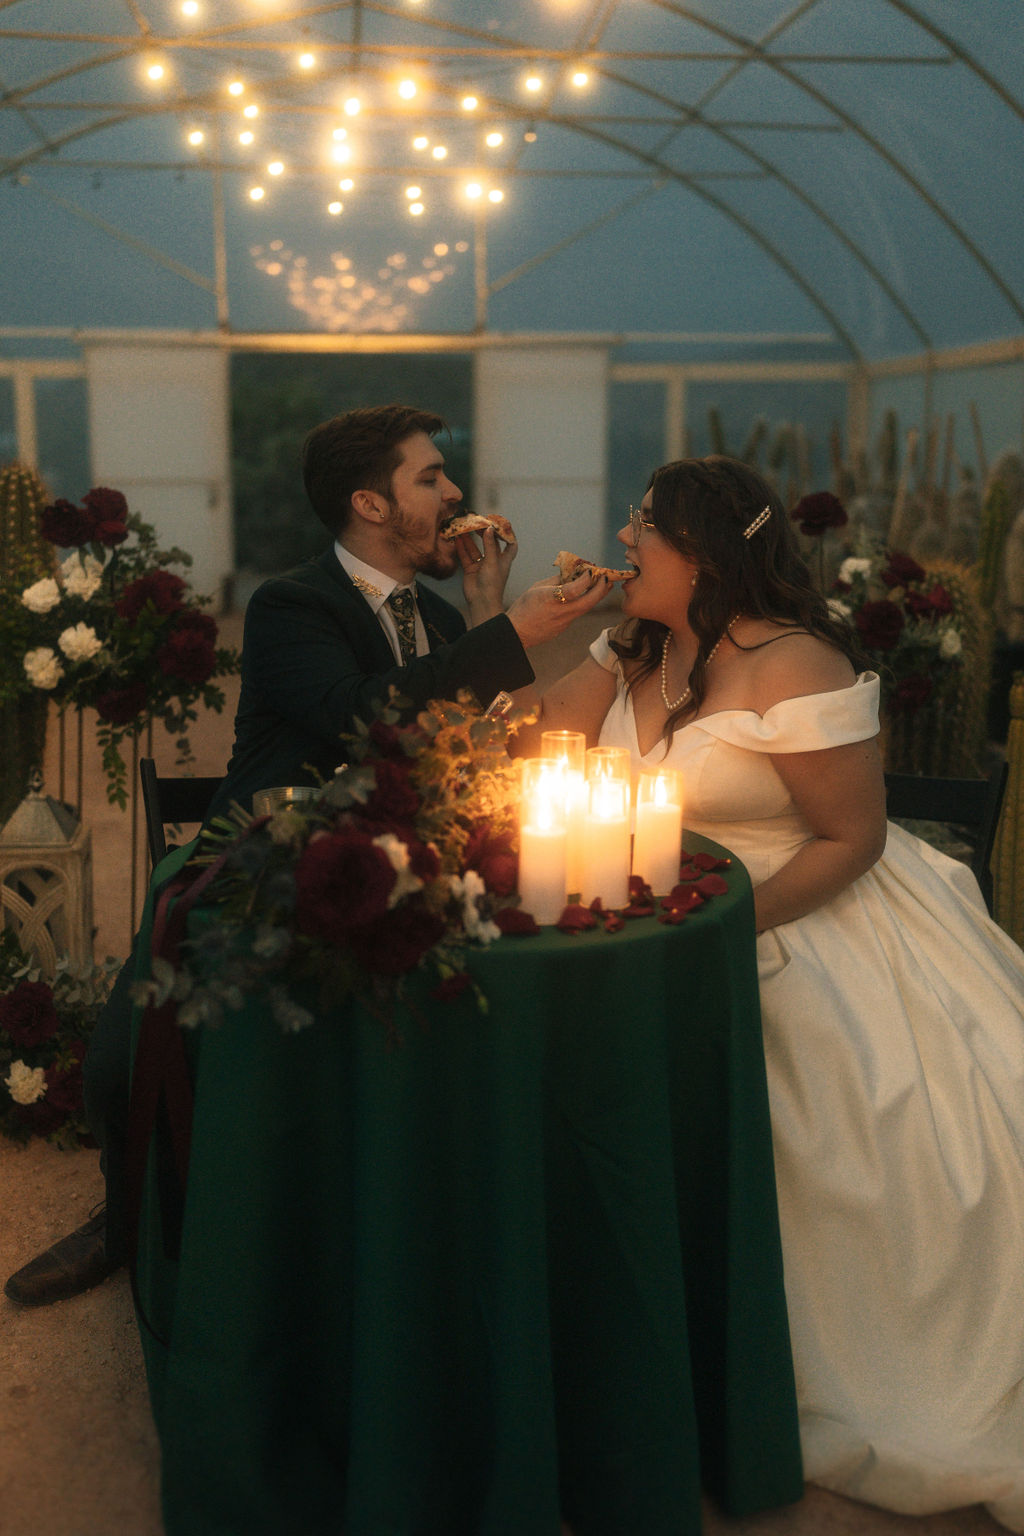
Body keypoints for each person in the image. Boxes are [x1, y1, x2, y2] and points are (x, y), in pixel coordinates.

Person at [4, 402, 608, 1308]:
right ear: (370, 503)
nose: (453, 494)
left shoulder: (443, 620)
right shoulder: (291, 604)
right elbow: (364, 712)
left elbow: (491, 742)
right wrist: (510, 633)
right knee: (149, 1015)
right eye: (430, 478)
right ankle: (125, 1215)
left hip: (395, 858)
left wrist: (486, 611)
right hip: (254, 849)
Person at [517, 454, 1024, 1531]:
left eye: (641, 528)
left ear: (698, 552)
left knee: (805, 1095)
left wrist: (716, 934)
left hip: (794, 911)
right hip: (639, 919)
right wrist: (510, 617)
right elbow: (523, 731)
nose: (621, 539)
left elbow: (852, 837)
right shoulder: (631, 647)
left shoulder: (795, 663)